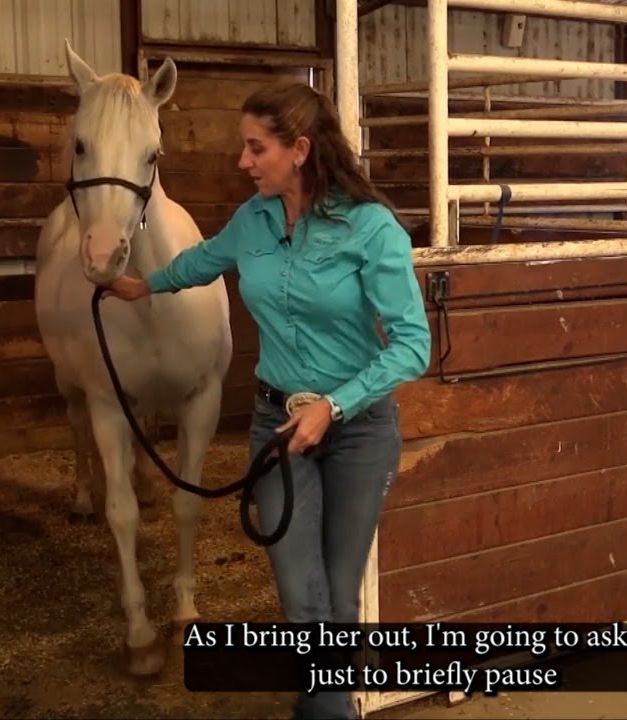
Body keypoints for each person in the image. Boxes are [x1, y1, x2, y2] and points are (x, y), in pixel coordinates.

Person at [102, 80, 431, 719]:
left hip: (358, 430)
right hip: (276, 426)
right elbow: (202, 262)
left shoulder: (371, 229)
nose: (243, 161)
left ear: (300, 150)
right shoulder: (251, 220)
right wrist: (141, 288)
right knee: (299, 592)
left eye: (256, 148)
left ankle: (329, 709)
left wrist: (332, 407)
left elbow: (412, 346)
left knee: (338, 594)